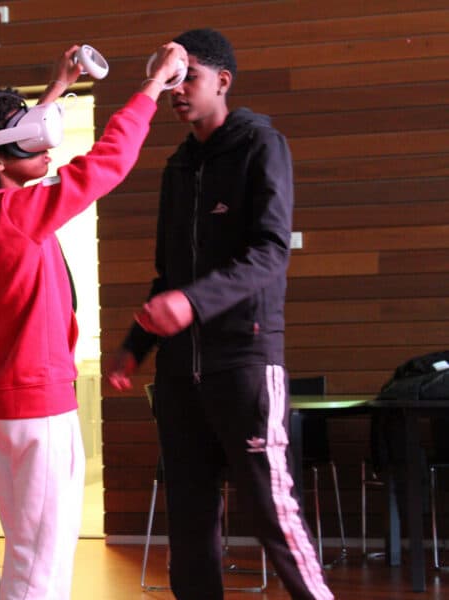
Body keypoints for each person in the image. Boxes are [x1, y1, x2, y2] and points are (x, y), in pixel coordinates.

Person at [0, 42, 188, 600]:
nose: (44, 136)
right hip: (38, 408)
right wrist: (153, 85)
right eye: (28, 131)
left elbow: (7, 150)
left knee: (27, 554)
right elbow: (108, 161)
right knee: (38, 572)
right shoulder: (19, 214)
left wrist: (59, 86)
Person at [108, 28, 334, 600]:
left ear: (223, 81)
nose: (178, 91)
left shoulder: (262, 145)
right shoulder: (177, 168)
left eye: (190, 78)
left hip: (244, 361)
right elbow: (167, 276)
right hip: (179, 374)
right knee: (189, 522)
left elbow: (271, 252)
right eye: (171, 80)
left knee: (270, 510)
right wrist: (135, 346)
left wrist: (193, 302)